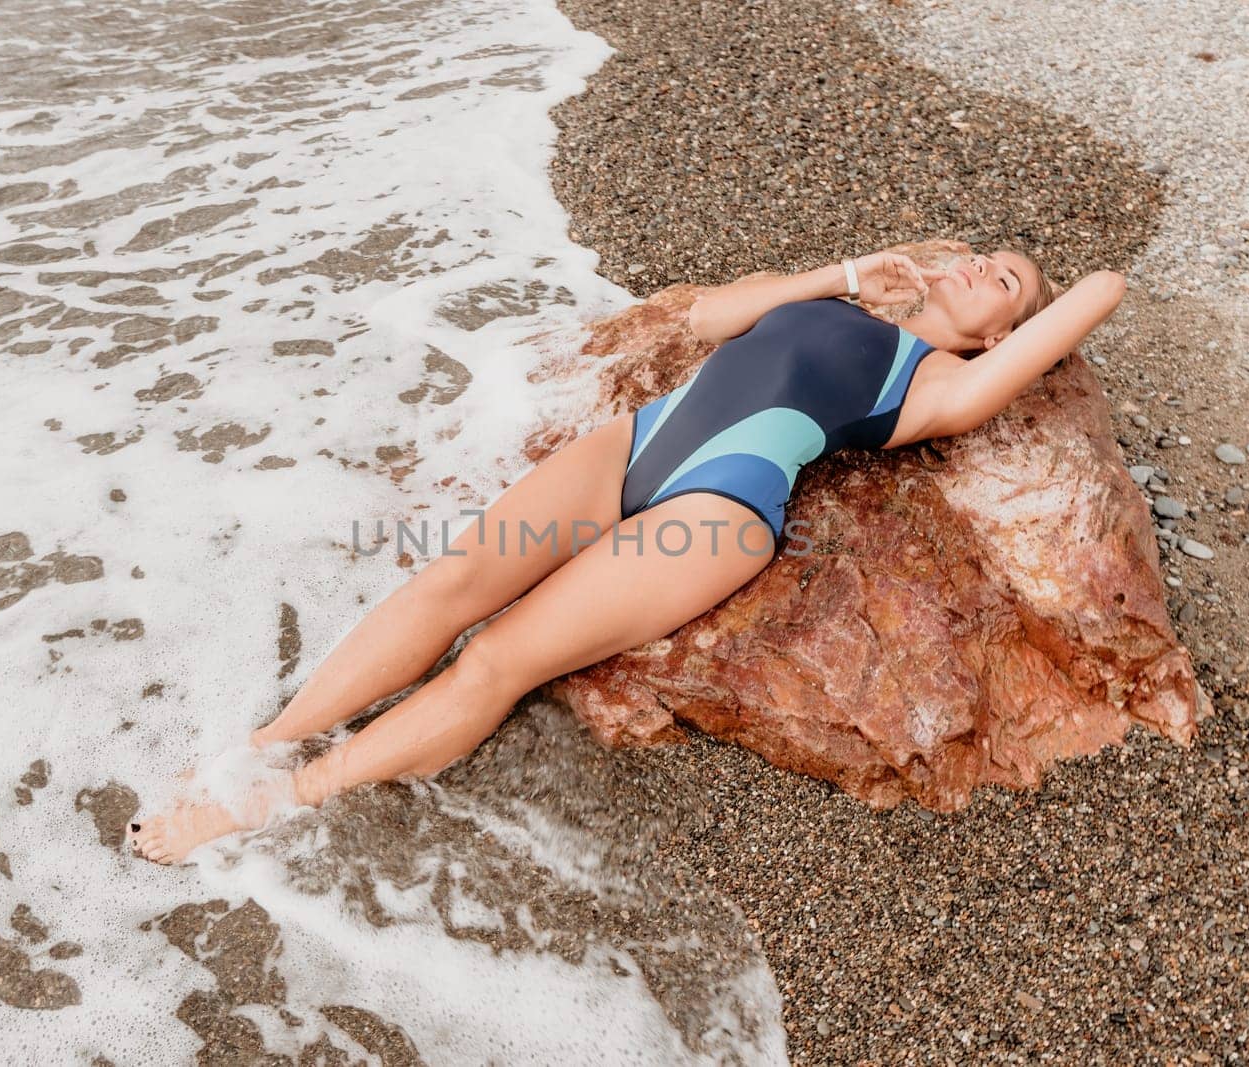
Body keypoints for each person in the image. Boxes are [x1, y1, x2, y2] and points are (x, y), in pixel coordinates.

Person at [128, 246, 1126, 864]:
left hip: (716, 506)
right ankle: (264, 745)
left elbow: (1103, 287)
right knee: (449, 583)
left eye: (1003, 281)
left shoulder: (943, 382)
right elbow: (708, 318)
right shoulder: (856, 309)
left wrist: (1032, 304)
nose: (979, 267)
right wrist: (851, 272)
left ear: (1001, 330)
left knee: (497, 658)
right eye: (980, 254)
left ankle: (277, 799)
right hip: (632, 443)